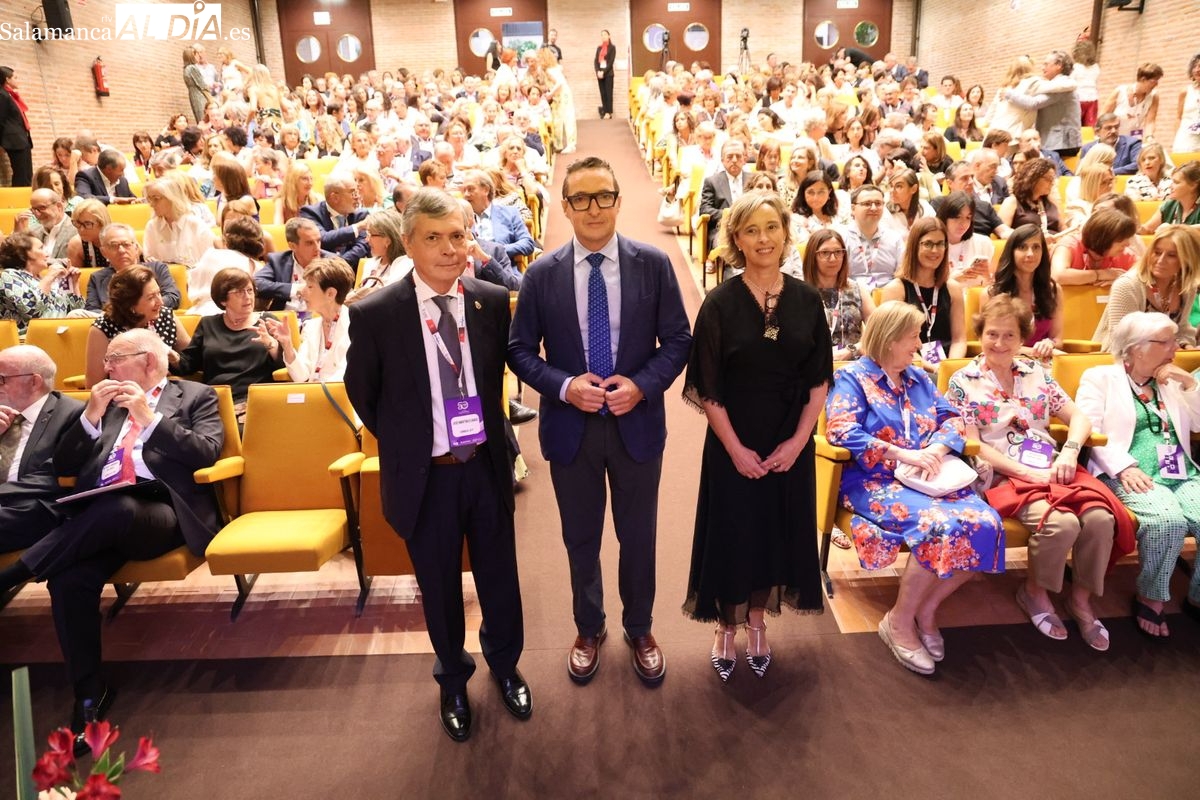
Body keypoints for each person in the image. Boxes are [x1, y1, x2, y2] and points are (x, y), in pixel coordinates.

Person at [345, 188, 529, 743]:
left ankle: (504, 664)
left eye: (457, 235)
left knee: (501, 577)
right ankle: (453, 678)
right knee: (440, 584)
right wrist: (413, 442)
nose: (450, 249)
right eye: (434, 238)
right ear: (409, 242)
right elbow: (364, 395)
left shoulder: (490, 300)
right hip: (427, 475)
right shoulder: (376, 313)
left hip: (485, 467)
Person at [508, 156, 691, 687]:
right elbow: (519, 351)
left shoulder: (652, 264)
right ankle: (589, 627)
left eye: (603, 196)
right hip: (571, 429)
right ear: (564, 207)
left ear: (618, 199)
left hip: (637, 424)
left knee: (639, 536)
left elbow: (678, 340)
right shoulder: (541, 274)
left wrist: (641, 385)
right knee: (580, 536)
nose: (593, 208)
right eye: (581, 198)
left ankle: (640, 627)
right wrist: (565, 386)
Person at [0, 328, 222, 756]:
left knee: (118, 508)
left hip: (159, 510)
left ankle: (15, 574)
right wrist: (90, 419)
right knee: (68, 579)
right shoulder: (104, 404)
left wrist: (150, 418)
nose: (105, 367)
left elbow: (208, 452)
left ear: (149, 362)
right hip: (98, 513)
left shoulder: (194, 395)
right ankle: (88, 700)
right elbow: (63, 464)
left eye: (115, 358)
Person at [681, 190, 830, 682]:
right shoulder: (720, 304)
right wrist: (736, 450)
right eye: (751, 230)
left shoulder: (808, 301)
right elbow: (706, 388)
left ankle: (759, 623)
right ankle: (726, 625)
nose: (763, 238)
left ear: (786, 233)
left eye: (771, 227)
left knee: (776, 534)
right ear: (736, 240)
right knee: (732, 534)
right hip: (733, 442)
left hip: (790, 442)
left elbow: (818, 382)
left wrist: (797, 442)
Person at [824, 301, 1005, 674]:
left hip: (928, 475)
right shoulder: (852, 379)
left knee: (986, 523)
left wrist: (934, 449)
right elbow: (840, 430)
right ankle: (899, 623)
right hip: (874, 481)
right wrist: (904, 455)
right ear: (890, 339)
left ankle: (926, 609)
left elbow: (954, 419)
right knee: (939, 526)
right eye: (913, 336)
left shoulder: (919, 378)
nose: (920, 344)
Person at [946, 295, 1129, 650]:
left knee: (1101, 519)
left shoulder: (1037, 374)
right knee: (1062, 524)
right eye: (992, 334)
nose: (999, 343)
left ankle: (1080, 599)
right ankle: (1034, 593)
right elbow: (973, 445)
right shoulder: (962, 382)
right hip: (1002, 476)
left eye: (1009, 336)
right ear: (980, 334)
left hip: (1052, 468)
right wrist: (1023, 473)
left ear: (1022, 338)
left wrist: (1071, 451)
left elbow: (1079, 418)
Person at [1076, 312, 1200, 638]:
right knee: (1167, 520)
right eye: (1166, 342)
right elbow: (1090, 430)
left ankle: (1197, 596)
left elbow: (1198, 424)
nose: (1176, 348)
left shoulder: (1172, 379)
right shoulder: (1100, 378)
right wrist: (1123, 465)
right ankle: (1151, 596)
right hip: (1128, 470)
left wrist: (1190, 384)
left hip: (1179, 470)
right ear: (1136, 348)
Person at [0, 345, 86, 550]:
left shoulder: (73, 414)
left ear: (34, 381)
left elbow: (53, 477)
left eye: (2, 378)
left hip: (33, 507)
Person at [173, 268, 284, 419]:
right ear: (223, 300)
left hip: (256, 401)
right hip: (215, 402)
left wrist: (271, 344)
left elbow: (284, 365)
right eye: (239, 292)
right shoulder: (208, 324)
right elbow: (188, 364)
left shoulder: (267, 321)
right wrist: (169, 354)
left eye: (250, 290)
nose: (248, 297)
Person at [1092, 225, 1200, 351]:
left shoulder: (1187, 287)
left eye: (1172, 255)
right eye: (1157, 252)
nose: (1160, 260)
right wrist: (1171, 349)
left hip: (1169, 357)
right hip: (1122, 361)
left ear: (1187, 260)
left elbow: (1181, 330)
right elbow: (1121, 340)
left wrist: (1187, 347)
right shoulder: (1127, 286)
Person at [84, 266, 191, 388]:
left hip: (165, 395)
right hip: (121, 396)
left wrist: (174, 359)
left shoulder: (166, 315)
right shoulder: (103, 328)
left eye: (159, 293)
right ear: (131, 305)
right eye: (151, 297)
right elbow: (94, 385)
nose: (160, 302)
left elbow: (190, 361)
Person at [881, 218, 966, 363]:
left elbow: (959, 340)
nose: (935, 250)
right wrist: (928, 368)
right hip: (909, 366)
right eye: (928, 244)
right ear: (914, 246)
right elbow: (892, 340)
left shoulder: (953, 288)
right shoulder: (896, 289)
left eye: (940, 244)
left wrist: (949, 368)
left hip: (946, 366)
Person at [266, 256, 353, 383]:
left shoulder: (354, 325)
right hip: (313, 395)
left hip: (339, 398)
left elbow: (348, 375)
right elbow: (301, 376)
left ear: (330, 294)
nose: (302, 291)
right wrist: (287, 346)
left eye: (310, 287)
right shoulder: (311, 326)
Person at [989, 224, 1061, 358]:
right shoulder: (993, 293)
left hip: (1044, 363)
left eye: (1036, 247)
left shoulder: (1053, 290)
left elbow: (1057, 338)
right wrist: (1034, 352)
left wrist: (1049, 344)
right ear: (1011, 252)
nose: (1030, 254)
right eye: (1022, 247)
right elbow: (989, 343)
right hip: (1005, 361)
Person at [803, 228, 874, 361]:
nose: (833, 258)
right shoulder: (800, 292)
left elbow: (878, 331)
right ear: (812, 256)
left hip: (854, 364)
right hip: (812, 365)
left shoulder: (857, 289)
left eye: (838, 252)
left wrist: (852, 350)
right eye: (825, 253)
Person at [86, 224, 181, 314]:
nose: (121, 251)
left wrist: (139, 308)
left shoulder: (157, 268)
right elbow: (91, 310)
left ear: (136, 248)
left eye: (126, 244)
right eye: (114, 245)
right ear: (103, 252)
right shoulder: (97, 278)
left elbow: (172, 298)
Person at [1002, 50, 1082, 158]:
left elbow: (1033, 103)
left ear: (1059, 65)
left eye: (1046, 64)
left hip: (1062, 143)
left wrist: (1009, 94)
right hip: (1058, 142)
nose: (1042, 68)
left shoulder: (1062, 84)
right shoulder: (1055, 84)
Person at [0, 232, 84, 334]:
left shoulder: (42, 279)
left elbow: (75, 313)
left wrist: (74, 284)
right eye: (40, 248)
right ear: (25, 253)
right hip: (27, 341)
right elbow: (30, 309)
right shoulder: (9, 276)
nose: (47, 254)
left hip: (60, 336)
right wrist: (50, 277)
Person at [188, 216, 266, 315]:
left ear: (226, 239)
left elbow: (189, 285)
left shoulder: (209, 254)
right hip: (234, 317)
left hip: (196, 315)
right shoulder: (257, 266)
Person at [839, 184, 907, 290]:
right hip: (851, 295)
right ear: (853, 209)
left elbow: (902, 272)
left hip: (888, 296)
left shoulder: (894, 238)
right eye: (867, 204)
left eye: (878, 203)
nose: (874, 208)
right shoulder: (841, 237)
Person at [1050, 208, 1138, 287]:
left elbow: (1144, 275)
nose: (1127, 244)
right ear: (1103, 238)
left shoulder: (1123, 252)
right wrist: (1101, 274)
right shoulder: (1069, 244)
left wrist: (1123, 280)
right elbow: (1058, 276)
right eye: (1121, 239)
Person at [299, 175, 370, 268]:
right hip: (322, 271)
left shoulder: (361, 214)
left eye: (357, 192)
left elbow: (362, 245)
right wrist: (357, 227)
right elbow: (322, 239)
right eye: (352, 193)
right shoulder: (310, 213)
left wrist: (339, 265)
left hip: (351, 270)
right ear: (335, 198)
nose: (357, 197)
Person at [142, 178, 216, 267]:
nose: (151, 204)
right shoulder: (152, 226)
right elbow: (149, 258)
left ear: (172, 198)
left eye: (156, 199)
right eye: (149, 199)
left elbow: (211, 259)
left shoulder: (195, 224)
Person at [936, 191, 993, 287]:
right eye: (957, 217)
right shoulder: (934, 245)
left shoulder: (983, 243)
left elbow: (993, 287)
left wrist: (987, 277)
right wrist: (951, 281)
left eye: (968, 217)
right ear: (945, 217)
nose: (963, 223)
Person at [1000, 157, 1064, 236]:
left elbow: (1063, 228)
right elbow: (1003, 232)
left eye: (1053, 179)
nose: (1052, 183)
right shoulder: (1012, 202)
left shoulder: (1052, 201)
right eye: (1049, 179)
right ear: (1033, 179)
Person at [1102, 62, 1161, 141]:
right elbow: (1102, 117)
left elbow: (1150, 122)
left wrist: (1149, 136)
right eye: (1154, 81)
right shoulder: (1120, 91)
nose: (1156, 85)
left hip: (1134, 139)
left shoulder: (1154, 96)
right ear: (1143, 79)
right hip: (1113, 137)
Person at [1138, 162, 1200, 234]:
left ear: (1193, 185)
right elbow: (1147, 228)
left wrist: (1172, 228)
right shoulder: (1169, 204)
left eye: (1176, 182)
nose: (1170, 186)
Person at [0, 66, 34, 186]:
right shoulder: (2, 94)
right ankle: (19, 202)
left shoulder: (10, 95)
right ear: (7, 79)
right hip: (14, 141)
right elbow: (1, 120)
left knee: (27, 174)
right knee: (21, 175)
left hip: (21, 140)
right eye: (15, 77)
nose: (17, 79)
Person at [542, 48, 577, 153]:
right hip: (559, 95)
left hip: (562, 94)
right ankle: (559, 144)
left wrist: (550, 94)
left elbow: (559, 83)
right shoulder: (553, 69)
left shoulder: (550, 70)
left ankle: (571, 144)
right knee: (557, 118)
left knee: (567, 117)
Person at [65, 200, 111, 272]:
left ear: (102, 223)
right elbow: (74, 279)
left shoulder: (117, 241)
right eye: (78, 223)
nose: (81, 229)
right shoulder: (77, 244)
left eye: (88, 224)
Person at [1173, 52, 1200, 155]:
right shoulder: (1185, 92)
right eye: (1195, 67)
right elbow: (1178, 118)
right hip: (1186, 140)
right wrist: (1176, 139)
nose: (1198, 70)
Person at [182, 45, 211, 122]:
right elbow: (203, 86)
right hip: (199, 96)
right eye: (198, 55)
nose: (199, 57)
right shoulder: (192, 68)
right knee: (205, 118)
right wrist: (211, 100)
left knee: (200, 118)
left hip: (193, 96)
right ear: (193, 55)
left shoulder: (186, 69)